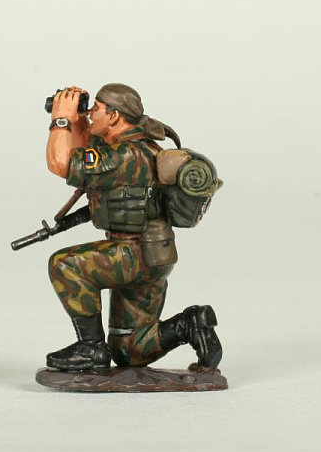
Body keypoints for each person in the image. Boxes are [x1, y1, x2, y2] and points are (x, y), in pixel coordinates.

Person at [44, 83, 222, 373]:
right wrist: (79, 121)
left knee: (66, 265)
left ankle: (90, 348)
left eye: (96, 109)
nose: (90, 114)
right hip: (153, 254)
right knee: (130, 350)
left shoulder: (126, 156)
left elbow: (61, 162)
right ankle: (189, 325)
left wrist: (61, 119)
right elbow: (85, 152)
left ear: (114, 116)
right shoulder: (133, 148)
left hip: (134, 254)